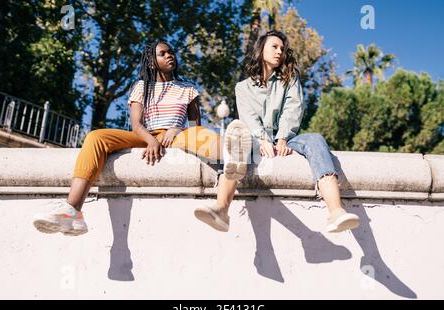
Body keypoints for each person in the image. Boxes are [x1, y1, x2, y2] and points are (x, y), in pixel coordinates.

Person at [32, 40, 251, 235]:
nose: (170, 55)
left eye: (171, 52)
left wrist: (176, 129)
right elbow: (136, 124)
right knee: (96, 137)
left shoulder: (187, 88)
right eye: (163, 53)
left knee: (208, 140)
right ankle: (72, 210)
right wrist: (151, 140)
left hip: (177, 134)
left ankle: (231, 157)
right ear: (151, 62)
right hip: (146, 135)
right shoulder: (140, 87)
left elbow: (195, 125)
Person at [235, 30, 360, 233]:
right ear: (260, 50)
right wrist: (263, 139)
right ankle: (221, 207)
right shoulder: (242, 88)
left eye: (282, 49)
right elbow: (248, 118)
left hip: (287, 140)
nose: (279, 52)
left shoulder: (289, 79)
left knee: (315, 139)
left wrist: (282, 138)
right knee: (234, 140)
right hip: (257, 139)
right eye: (274, 47)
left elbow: (294, 108)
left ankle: (336, 211)